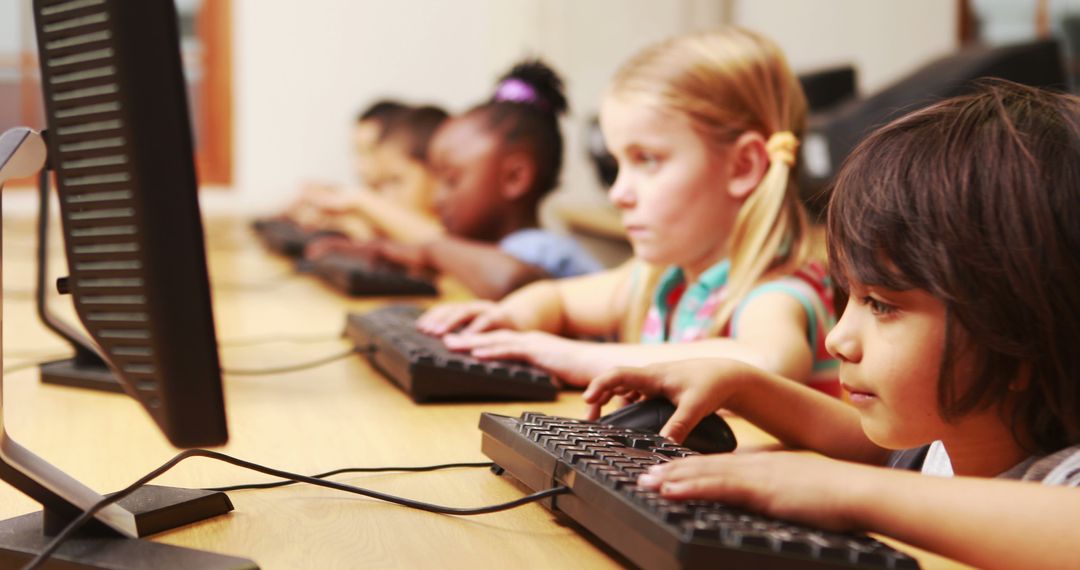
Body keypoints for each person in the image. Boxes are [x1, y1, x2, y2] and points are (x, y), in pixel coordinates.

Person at [582, 80, 1080, 570]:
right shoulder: (950, 443)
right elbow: (872, 448)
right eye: (850, 298)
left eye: (881, 305)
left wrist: (845, 492)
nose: (837, 339)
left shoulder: (1061, 478)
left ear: (1018, 337)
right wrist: (741, 386)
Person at [418, 28, 837, 390]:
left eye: (647, 160)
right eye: (618, 164)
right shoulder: (657, 279)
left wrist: (574, 357)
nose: (619, 193)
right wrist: (508, 319)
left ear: (742, 166)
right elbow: (557, 298)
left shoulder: (776, 291)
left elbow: (766, 362)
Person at [309, 60, 602, 299]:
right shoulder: (490, 250)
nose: (438, 197)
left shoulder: (541, 248)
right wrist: (385, 252)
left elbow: (509, 282)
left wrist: (431, 251)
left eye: (451, 181)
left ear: (514, 178)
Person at [293, 104, 448, 243]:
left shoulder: (449, 233)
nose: (386, 196)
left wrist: (359, 200)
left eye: (396, 181)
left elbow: (440, 244)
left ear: (439, 176)